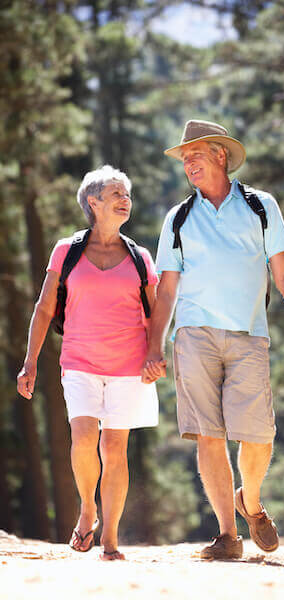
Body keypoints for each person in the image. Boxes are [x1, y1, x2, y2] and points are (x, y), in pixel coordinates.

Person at [142, 120, 284, 560]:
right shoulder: (178, 219)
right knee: (209, 435)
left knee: (258, 436)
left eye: (196, 154)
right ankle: (228, 536)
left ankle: (250, 501)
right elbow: (167, 289)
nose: (188, 162)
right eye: (184, 157)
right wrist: (155, 345)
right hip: (192, 335)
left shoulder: (261, 207)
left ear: (221, 155)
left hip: (249, 334)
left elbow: (283, 272)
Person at [17, 165, 159, 561]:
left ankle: (110, 540)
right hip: (79, 361)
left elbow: (157, 313)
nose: (124, 199)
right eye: (116, 193)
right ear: (92, 202)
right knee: (82, 440)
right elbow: (45, 309)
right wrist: (29, 362)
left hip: (129, 367)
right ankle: (87, 507)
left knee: (115, 449)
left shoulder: (139, 257)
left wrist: (157, 353)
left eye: (127, 193)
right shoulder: (66, 251)